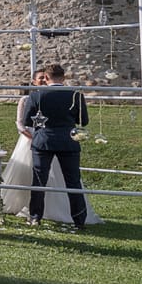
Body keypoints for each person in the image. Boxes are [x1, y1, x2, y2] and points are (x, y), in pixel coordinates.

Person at [21, 64, 90, 228]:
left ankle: (35, 217)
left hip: (43, 140)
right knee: (73, 181)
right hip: (68, 140)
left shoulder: (37, 95)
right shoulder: (75, 95)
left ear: (45, 78)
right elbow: (84, 121)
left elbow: (27, 121)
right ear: (64, 78)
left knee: (39, 180)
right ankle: (79, 220)